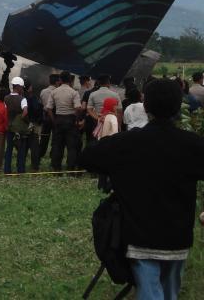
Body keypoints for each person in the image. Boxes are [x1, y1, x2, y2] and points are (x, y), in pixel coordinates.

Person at [78, 78, 204, 300]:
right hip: (179, 238)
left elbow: (87, 157)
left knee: (149, 293)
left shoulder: (126, 143)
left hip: (139, 237)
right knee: (170, 292)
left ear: (145, 106)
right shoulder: (193, 144)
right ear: (178, 107)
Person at [47, 71, 81, 172]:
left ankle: (56, 169)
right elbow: (78, 108)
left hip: (58, 119)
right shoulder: (74, 92)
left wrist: (54, 120)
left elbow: (48, 108)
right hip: (70, 120)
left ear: (60, 80)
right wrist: (76, 118)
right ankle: (70, 168)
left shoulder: (54, 92)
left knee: (57, 145)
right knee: (71, 146)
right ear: (70, 80)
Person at [3, 77, 29, 174]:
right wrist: (20, 119)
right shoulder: (23, 99)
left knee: (9, 149)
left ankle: (7, 170)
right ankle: (20, 170)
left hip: (9, 127)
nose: (22, 89)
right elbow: (25, 111)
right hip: (19, 129)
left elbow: (5, 111)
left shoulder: (6, 98)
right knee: (21, 149)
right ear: (18, 87)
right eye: (22, 87)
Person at [39, 73, 60, 158]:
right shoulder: (57, 92)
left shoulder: (43, 91)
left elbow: (41, 103)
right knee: (55, 137)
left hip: (45, 116)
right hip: (55, 115)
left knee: (44, 136)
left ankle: (40, 153)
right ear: (57, 82)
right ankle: (53, 154)